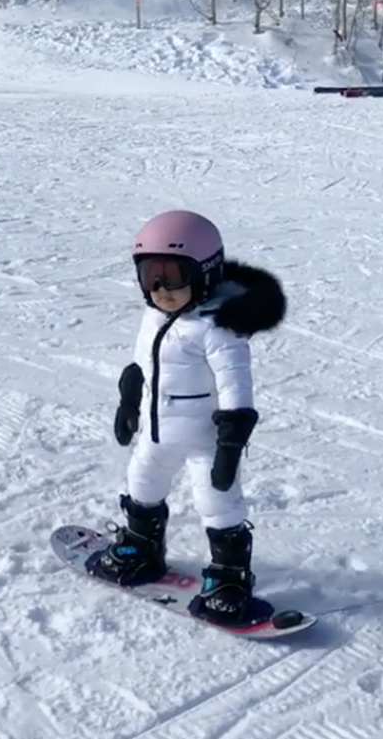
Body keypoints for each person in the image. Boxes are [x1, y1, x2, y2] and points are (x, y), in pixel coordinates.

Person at [85, 209, 286, 625]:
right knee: (141, 483)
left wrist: (230, 443)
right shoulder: (154, 316)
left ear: (206, 274)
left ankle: (229, 578)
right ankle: (142, 547)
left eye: (172, 276)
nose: (160, 289)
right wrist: (128, 400)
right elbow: (141, 364)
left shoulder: (219, 329)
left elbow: (236, 388)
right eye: (149, 276)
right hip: (156, 432)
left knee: (218, 503)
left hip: (204, 439)